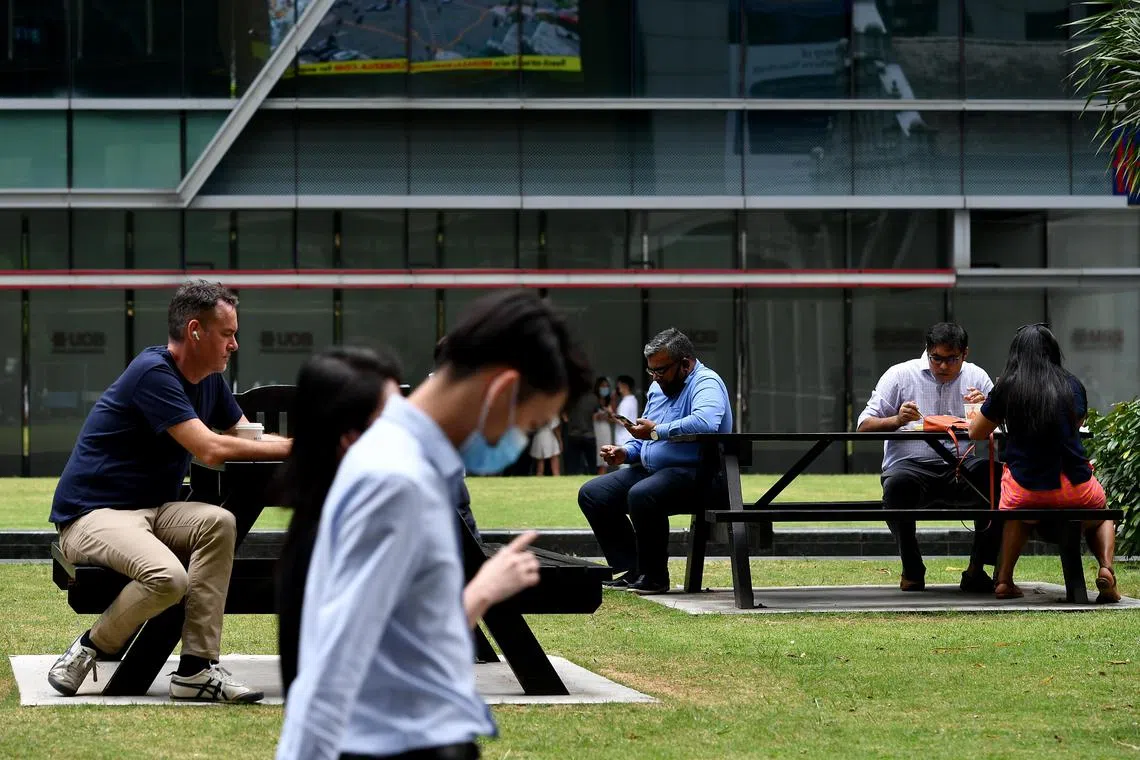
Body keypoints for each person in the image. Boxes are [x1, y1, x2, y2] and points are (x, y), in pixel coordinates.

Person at [276, 290, 592, 760]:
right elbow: (334, 664)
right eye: (530, 424)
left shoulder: (398, 461)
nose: (521, 441)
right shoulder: (399, 481)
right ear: (503, 390)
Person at [46, 280, 292, 702]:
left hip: (156, 509)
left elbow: (244, 434)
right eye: (227, 333)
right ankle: (91, 646)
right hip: (92, 515)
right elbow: (209, 448)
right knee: (168, 578)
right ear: (195, 331)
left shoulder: (209, 380)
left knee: (219, 521)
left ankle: (197, 668)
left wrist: (313, 445)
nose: (234, 344)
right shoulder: (153, 374)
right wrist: (296, 447)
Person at [275, 347, 405, 696]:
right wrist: (483, 593)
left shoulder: (327, 517)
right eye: (391, 420)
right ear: (349, 438)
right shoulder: (339, 534)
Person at [968, 324, 1119, 603]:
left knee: (1015, 509)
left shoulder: (1008, 386)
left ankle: (1004, 580)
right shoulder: (1072, 384)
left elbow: (976, 433)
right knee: (1102, 513)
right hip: (1076, 487)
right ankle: (1106, 568)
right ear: (1052, 351)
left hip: (1028, 488)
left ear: (1017, 353)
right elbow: (1077, 423)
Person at [577, 328, 732, 595]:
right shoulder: (657, 389)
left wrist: (657, 430)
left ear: (685, 364)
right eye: (652, 371)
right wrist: (625, 452)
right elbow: (644, 436)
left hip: (700, 475)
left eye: (661, 370)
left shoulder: (706, 382)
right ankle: (634, 567)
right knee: (593, 494)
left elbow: (705, 422)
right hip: (654, 471)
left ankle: (655, 576)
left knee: (642, 494)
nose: (656, 377)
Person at [857, 322, 1001, 594]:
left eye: (951, 359)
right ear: (927, 351)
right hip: (911, 467)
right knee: (896, 486)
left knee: (997, 480)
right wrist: (897, 420)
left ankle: (977, 568)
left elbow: (1001, 430)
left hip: (961, 466)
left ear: (965, 354)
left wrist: (984, 410)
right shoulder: (900, 375)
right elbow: (864, 425)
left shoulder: (978, 377)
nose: (943, 366)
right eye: (936, 358)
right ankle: (912, 567)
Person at [592, 377, 615, 475]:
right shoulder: (594, 400)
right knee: (596, 454)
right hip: (595, 430)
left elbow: (613, 418)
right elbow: (591, 417)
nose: (604, 388)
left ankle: (602, 475)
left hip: (605, 430)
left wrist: (608, 414)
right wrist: (598, 416)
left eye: (606, 386)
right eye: (602, 386)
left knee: (605, 454)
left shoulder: (609, 401)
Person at [611, 375, 640, 450]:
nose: (617, 387)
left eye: (619, 385)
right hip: (627, 438)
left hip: (623, 440)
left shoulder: (626, 402)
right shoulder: (632, 399)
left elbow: (623, 421)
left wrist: (611, 413)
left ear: (625, 386)